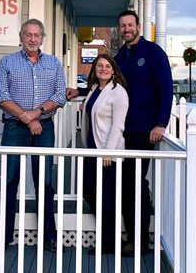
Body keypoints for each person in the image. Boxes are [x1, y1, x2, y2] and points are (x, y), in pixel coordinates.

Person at [0, 19, 67, 253]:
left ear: (42, 38)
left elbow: (60, 95)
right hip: (15, 128)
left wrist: (36, 114)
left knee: (45, 183)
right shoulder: (7, 62)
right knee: (10, 180)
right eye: (28, 35)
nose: (32, 39)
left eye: (36, 35)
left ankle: (49, 236)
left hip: (44, 129)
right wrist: (27, 118)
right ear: (21, 38)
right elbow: (2, 96)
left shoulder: (54, 63)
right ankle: (2, 236)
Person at [113, 10, 173, 256]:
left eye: (130, 24)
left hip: (144, 131)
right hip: (122, 131)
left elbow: (166, 89)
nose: (126, 29)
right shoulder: (119, 56)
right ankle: (132, 236)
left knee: (136, 183)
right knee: (126, 183)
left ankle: (140, 241)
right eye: (122, 26)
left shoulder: (153, 53)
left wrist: (161, 123)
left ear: (138, 26)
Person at [79, 53, 128, 254]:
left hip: (108, 153)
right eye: (99, 66)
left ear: (114, 70)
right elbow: (92, 109)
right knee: (89, 189)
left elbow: (118, 125)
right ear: (95, 69)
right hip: (92, 149)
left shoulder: (119, 93)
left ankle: (110, 241)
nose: (103, 69)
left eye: (107, 66)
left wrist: (108, 152)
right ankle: (109, 236)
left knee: (108, 198)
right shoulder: (94, 90)